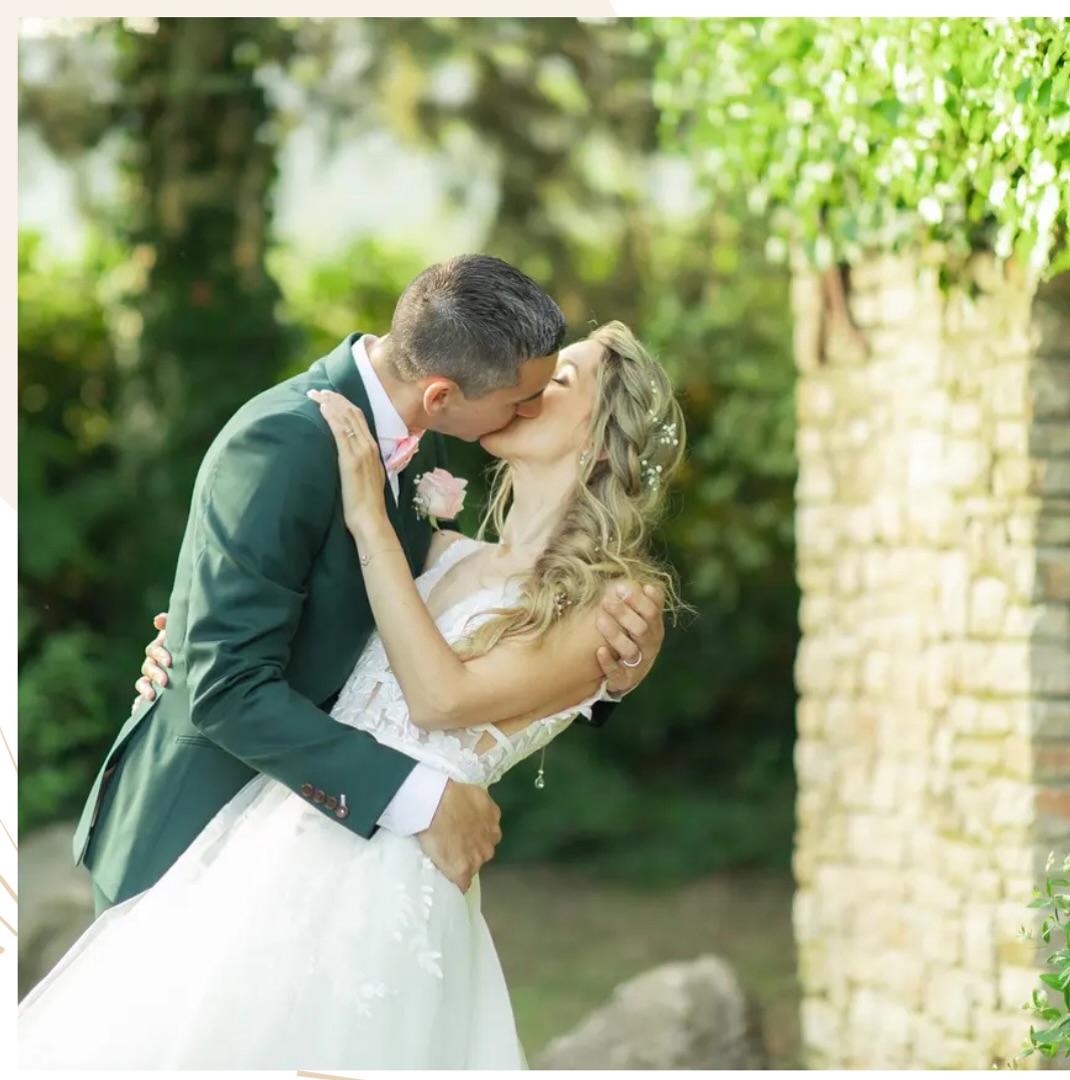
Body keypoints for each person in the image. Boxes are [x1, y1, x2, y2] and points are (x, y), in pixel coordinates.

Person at [18, 320, 685, 1070]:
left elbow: (438, 697)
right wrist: (196, 649)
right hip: (276, 834)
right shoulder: (442, 547)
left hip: (388, 882)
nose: (525, 389)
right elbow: (311, 625)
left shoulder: (613, 604)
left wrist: (369, 516)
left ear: (599, 443)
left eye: (556, 382)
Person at [67, 255, 662, 924]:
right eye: (529, 391)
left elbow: (422, 618)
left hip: (341, 858)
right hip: (195, 836)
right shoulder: (281, 443)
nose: (527, 404)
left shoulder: (426, 450)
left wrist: (608, 679)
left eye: (552, 386)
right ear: (441, 393)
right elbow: (223, 682)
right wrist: (417, 795)